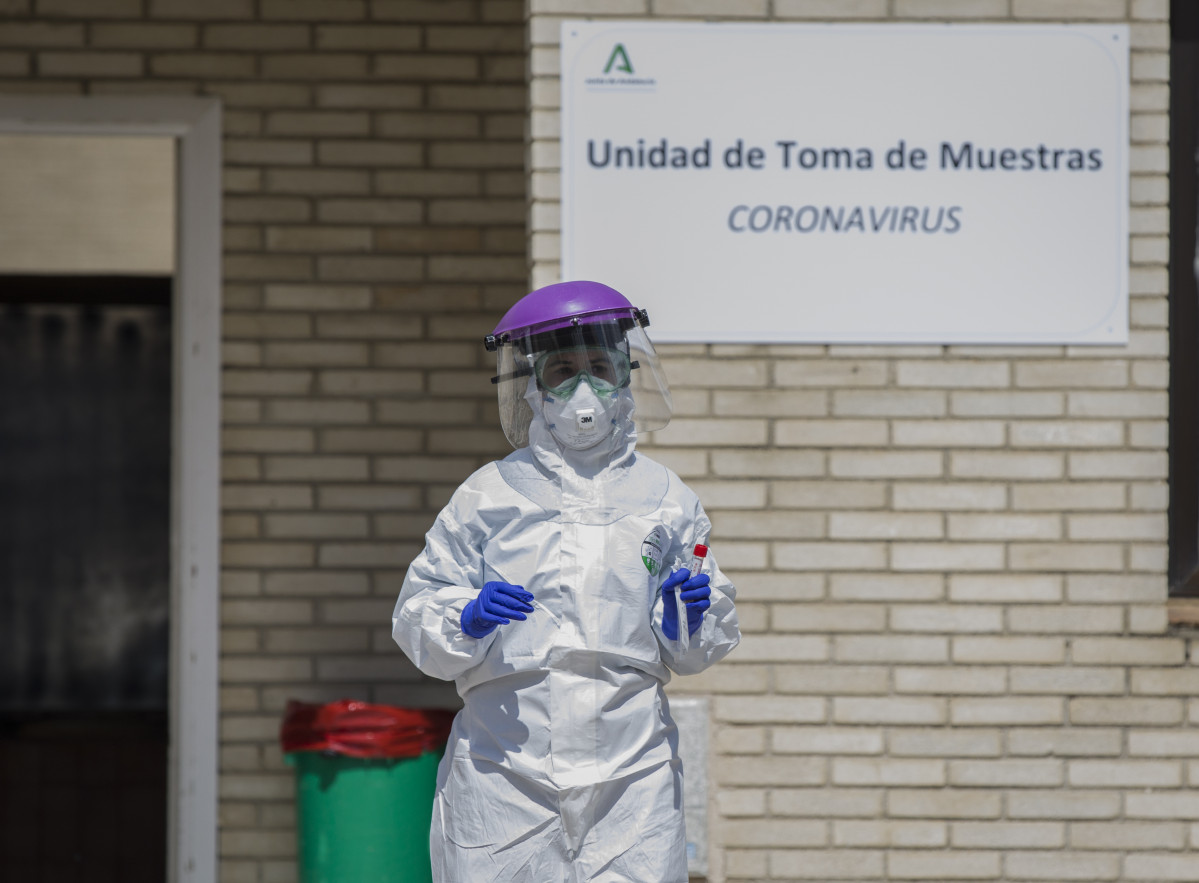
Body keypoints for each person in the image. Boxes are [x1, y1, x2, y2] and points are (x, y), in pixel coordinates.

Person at [391, 280, 740, 882]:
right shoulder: (486, 496)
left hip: (633, 777)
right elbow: (418, 612)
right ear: (534, 385)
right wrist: (465, 616)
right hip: (506, 774)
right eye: (563, 371)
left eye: (600, 367)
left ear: (627, 377)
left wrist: (689, 619)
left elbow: (696, 641)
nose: (584, 390)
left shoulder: (666, 500)